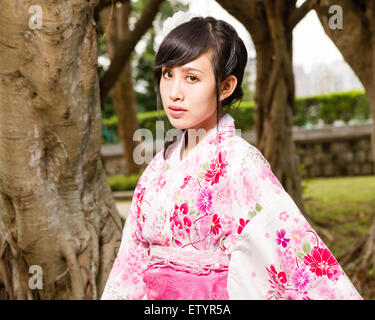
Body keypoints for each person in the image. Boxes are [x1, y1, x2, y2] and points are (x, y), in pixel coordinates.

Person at [101, 15, 362, 300]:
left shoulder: (240, 163)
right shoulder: (156, 170)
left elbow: (289, 251)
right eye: (167, 74)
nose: (174, 93)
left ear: (226, 86)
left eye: (191, 78)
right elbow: (130, 266)